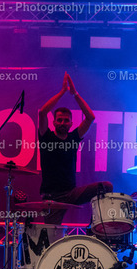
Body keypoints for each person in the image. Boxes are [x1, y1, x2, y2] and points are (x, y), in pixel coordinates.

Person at [38, 72, 113, 224]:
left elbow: (90, 117)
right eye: (59, 120)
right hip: (52, 196)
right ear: (54, 122)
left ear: (71, 123)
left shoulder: (73, 138)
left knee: (106, 187)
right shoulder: (46, 137)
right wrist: (62, 92)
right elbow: (42, 112)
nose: (62, 123)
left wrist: (75, 94)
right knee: (51, 234)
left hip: (72, 192)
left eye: (66, 120)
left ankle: (96, 225)